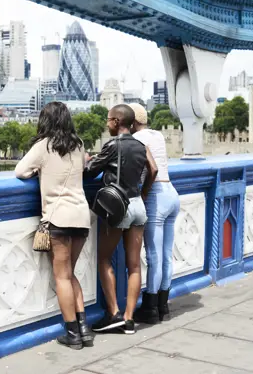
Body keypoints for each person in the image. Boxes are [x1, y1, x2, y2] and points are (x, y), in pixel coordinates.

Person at [15, 102, 94, 350]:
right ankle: (84, 329)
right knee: (71, 273)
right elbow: (82, 167)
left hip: (58, 218)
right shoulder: (78, 144)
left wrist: (39, 172)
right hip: (81, 216)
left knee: (62, 276)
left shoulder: (43, 146)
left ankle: (72, 333)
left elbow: (20, 171)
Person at [85, 104, 158, 335]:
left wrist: (88, 159)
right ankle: (129, 319)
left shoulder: (112, 145)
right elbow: (153, 170)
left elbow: (89, 170)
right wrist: (144, 192)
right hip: (138, 205)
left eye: (108, 120)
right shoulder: (141, 145)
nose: (107, 124)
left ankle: (114, 312)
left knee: (103, 258)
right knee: (134, 265)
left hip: (119, 207)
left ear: (117, 121)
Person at [130, 103, 180, 323]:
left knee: (154, 256)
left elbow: (151, 169)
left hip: (157, 196)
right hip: (172, 193)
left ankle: (150, 308)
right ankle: (163, 306)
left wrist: (144, 193)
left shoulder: (138, 139)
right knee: (166, 254)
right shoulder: (158, 135)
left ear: (131, 123)